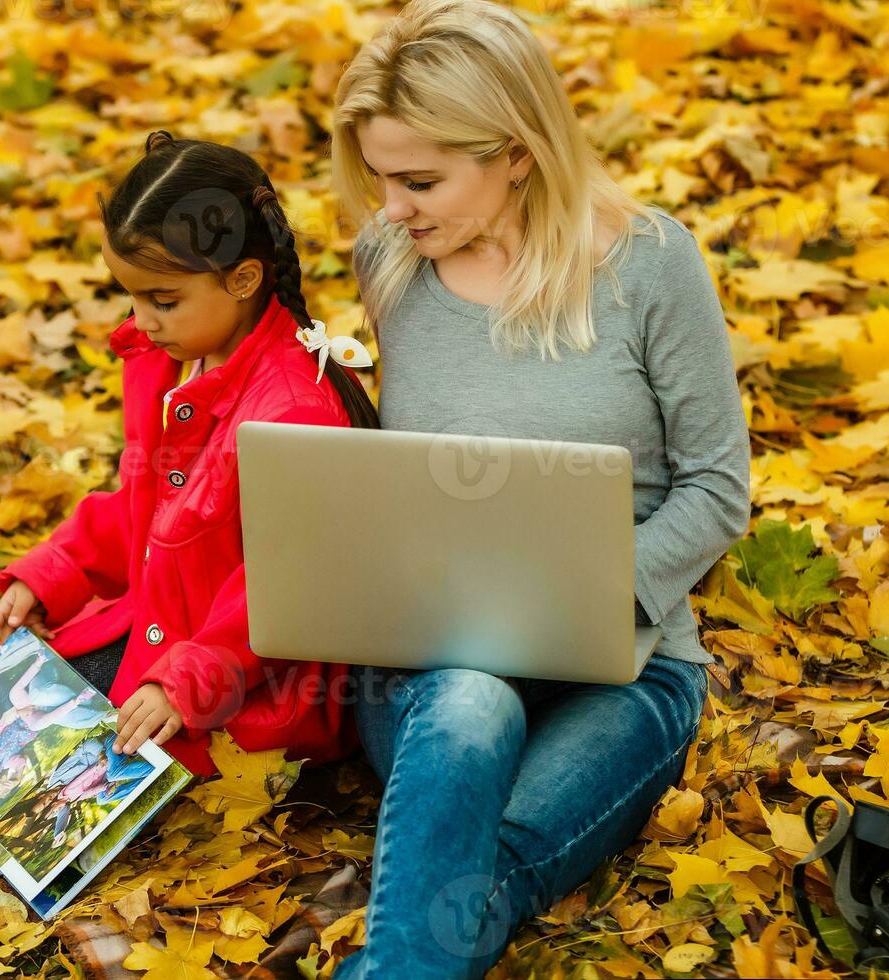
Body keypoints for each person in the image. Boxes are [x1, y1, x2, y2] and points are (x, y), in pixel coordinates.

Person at [325, 1, 752, 976]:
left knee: (475, 871)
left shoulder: (650, 266)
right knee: (471, 707)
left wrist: (574, 596)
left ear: (517, 152)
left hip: (627, 666)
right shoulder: (392, 264)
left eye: (420, 180)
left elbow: (719, 490)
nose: (391, 208)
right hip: (436, 668)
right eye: (380, 179)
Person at [0, 130, 382, 779]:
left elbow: (288, 589)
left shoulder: (293, 411)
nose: (142, 321)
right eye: (133, 296)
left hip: (245, 681)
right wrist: (57, 570)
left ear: (243, 278)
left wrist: (187, 682)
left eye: (163, 300)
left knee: (58, 769)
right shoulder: (174, 358)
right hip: (158, 626)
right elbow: (144, 503)